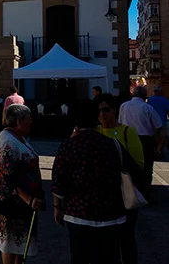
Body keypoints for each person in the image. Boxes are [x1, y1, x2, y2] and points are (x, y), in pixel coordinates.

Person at [52, 103, 139, 264]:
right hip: (111, 213)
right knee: (109, 258)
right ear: (96, 119)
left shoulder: (69, 145)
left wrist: (57, 206)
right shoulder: (113, 144)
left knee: (80, 258)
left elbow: (58, 180)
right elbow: (131, 169)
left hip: (78, 213)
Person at [0, 104, 44, 263]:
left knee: (19, 244)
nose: (31, 121)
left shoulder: (17, 137)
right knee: (10, 244)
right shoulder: (7, 141)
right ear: (19, 122)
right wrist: (27, 198)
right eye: (28, 119)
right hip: (11, 200)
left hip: (21, 203)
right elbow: (9, 177)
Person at [96, 94, 144, 264]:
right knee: (106, 242)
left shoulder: (127, 132)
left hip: (123, 193)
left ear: (114, 110)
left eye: (106, 109)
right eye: (99, 111)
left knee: (126, 237)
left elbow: (139, 164)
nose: (102, 114)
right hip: (102, 196)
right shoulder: (95, 131)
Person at [119, 86, 165, 202]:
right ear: (144, 96)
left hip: (127, 137)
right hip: (144, 139)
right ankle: (145, 193)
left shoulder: (124, 106)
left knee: (128, 166)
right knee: (147, 167)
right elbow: (158, 125)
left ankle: (130, 191)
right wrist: (160, 146)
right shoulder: (147, 107)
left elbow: (119, 122)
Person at [147, 86, 169, 151]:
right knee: (163, 138)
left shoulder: (149, 99)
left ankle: (156, 149)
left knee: (154, 138)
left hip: (152, 123)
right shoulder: (165, 100)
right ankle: (159, 149)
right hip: (162, 123)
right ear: (161, 92)